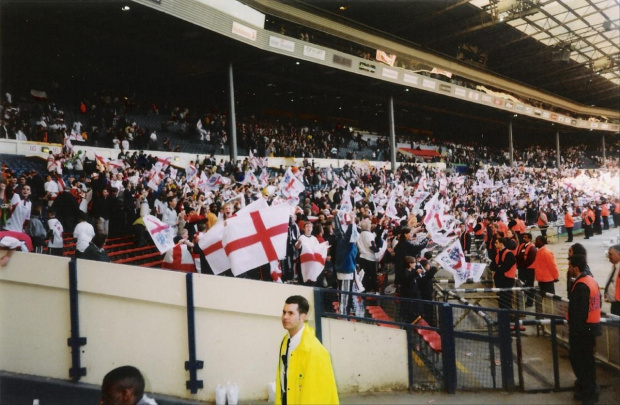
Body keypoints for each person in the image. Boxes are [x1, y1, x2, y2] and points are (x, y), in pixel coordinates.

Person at [275, 295, 338, 405]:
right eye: (284, 312)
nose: (285, 317)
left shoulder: (315, 350)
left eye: (291, 313)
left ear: (302, 317)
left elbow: (318, 395)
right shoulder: (285, 341)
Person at [567, 254, 601, 405]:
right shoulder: (591, 280)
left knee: (581, 362)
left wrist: (573, 330)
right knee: (587, 362)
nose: (569, 269)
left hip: (582, 331)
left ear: (575, 268)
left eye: (570, 267)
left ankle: (589, 394)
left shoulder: (581, 285)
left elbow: (578, 312)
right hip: (591, 327)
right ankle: (589, 390)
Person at [490, 237, 516, 310]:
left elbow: (505, 267)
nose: (495, 244)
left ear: (501, 244)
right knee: (501, 298)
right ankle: (503, 315)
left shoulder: (509, 254)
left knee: (506, 298)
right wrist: (498, 266)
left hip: (507, 279)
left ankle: (509, 316)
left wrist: (498, 267)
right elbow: (492, 266)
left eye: (496, 243)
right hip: (499, 279)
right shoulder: (497, 253)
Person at [356, 218, 379, 293]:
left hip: (362, 257)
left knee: (364, 275)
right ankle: (375, 290)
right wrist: (378, 251)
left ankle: (365, 290)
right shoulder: (369, 235)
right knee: (373, 276)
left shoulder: (360, 234)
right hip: (370, 258)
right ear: (368, 227)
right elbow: (372, 246)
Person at [516, 233, 537, 307]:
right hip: (521, 269)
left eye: (525, 237)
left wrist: (522, 266)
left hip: (529, 270)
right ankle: (522, 300)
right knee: (521, 284)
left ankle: (530, 302)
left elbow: (530, 260)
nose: (524, 238)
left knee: (529, 286)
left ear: (529, 239)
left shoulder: (532, 248)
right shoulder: (521, 246)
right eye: (523, 237)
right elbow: (517, 256)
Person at [604, 244, 620, 316]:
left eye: (610, 254)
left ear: (619, 254)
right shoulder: (615, 266)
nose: (608, 256)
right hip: (614, 303)